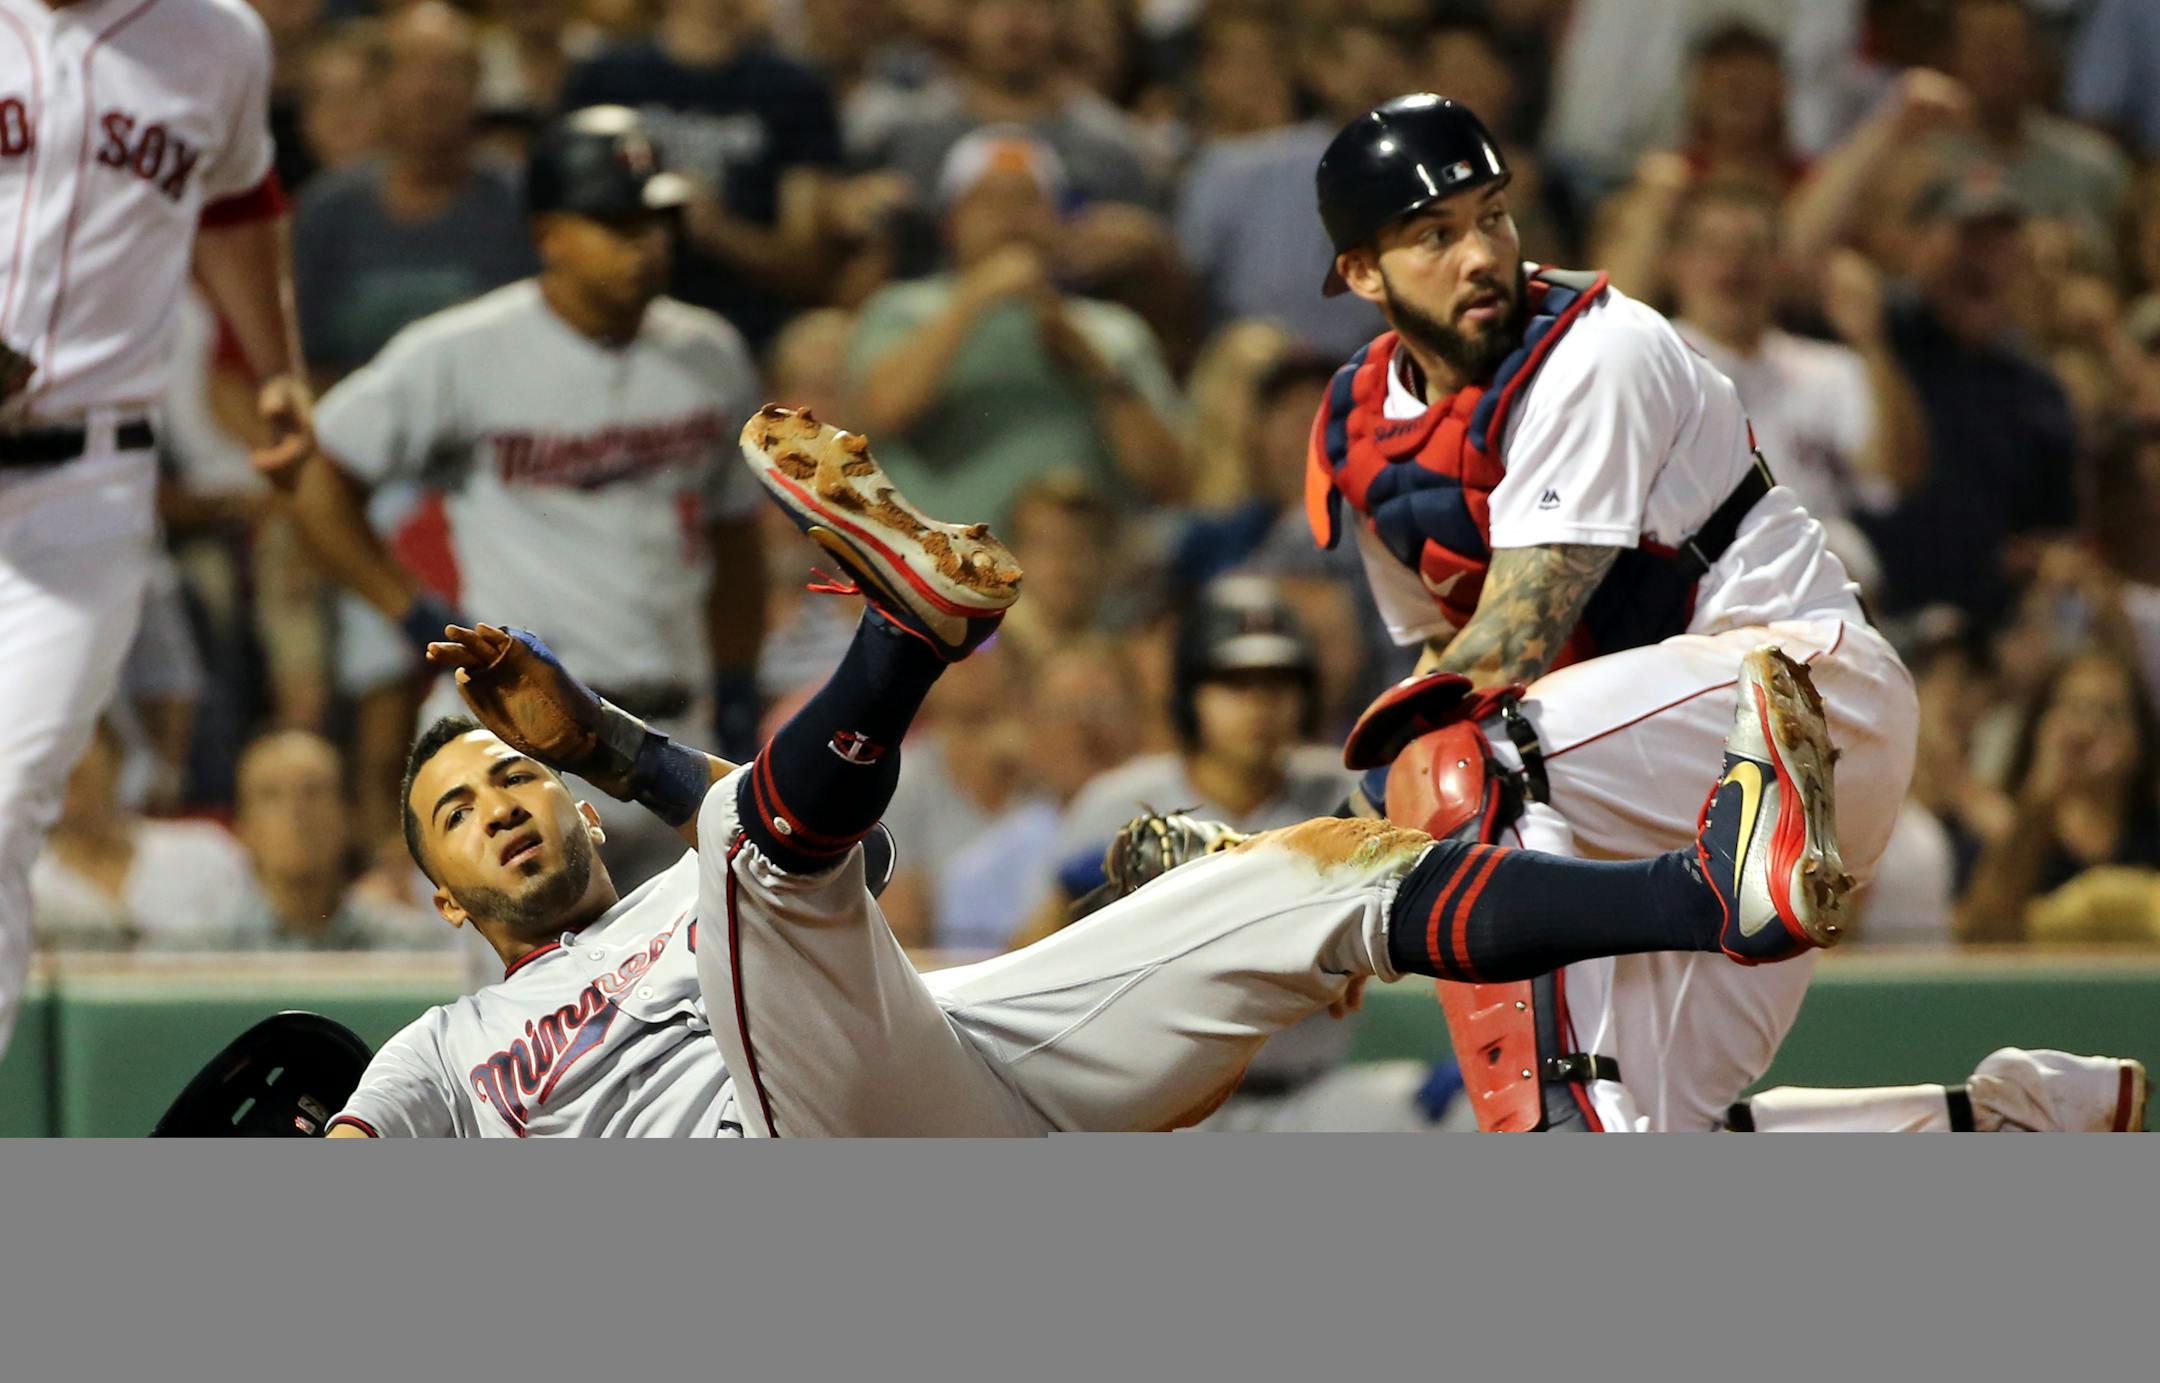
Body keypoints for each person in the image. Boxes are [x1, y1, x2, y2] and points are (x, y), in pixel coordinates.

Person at [324, 404, 1871, 1138]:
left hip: (938, 1093)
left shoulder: (690, 899)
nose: (501, 808)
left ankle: (1709, 890)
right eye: (457, 812)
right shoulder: (443, 1051)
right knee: (751, 833)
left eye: (511, 780)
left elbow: (838, 866)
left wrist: (595, 734)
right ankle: (908, 637)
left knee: (1310, 870)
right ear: (439, 894)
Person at [1304, 94, 2129, 1134]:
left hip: (1795, 699)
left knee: (1468, 759)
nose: (1482, 254)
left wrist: (1331, 887)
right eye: (1436, 234)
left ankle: (1556, 1120)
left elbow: (1504, 647)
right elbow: (1435, 648)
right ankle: (2017, 1126)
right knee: (1655, 1128)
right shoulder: (1360, 432)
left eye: (1494, 216)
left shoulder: (1596, 351)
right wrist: (1364, 874)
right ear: (1361, 273)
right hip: (1658, 802)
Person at [278, 106, 768, 891]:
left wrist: (741, 686)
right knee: (535, 1006)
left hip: (674, 729)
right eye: (616, 223)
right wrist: (411, 614)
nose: (647, 244)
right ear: (550, 236)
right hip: (520, 735)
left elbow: (736, 533)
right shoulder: (466, 351)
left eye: (656, 220)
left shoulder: (709, 352)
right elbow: (316, 473)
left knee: (701, 1004)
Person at [0, 0, 313, 1057]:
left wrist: (274, 366)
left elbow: (236, 202)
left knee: (6, 799)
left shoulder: (214, 38)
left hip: (81, 486)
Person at [845, 127, 1184, 528]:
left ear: (1060, 218)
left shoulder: (1113, 330)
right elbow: (876, 419)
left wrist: (1095, 370)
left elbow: (1173, 484)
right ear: (949, 225)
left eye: (1028, 200)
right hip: (936, 574)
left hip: (1078, 579)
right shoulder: (903, 310)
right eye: (987, 201)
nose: (1010, 217)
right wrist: (976, 297)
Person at [1666, 181, 1924, 593]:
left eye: (1752, 248)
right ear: (1675, 261)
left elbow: (1893, 477)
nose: (1733, 265)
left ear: (1780, 266)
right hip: (1694, 578)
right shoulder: (1652, 363)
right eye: (1713, 246)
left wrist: (1873, 340)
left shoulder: (1829, 369)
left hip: (1816, 583)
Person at [559, 0, 846, 350]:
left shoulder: (793, 88)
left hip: (749, 329)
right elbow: (562, 226)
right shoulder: (606, 79)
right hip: (616, 325)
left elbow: (807, 266)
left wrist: (717, 230)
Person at [290, 1, 536, 382]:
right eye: (411, 68)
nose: (428, 90)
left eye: (447, 70)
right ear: (380, 86)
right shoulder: (327, 209)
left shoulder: (525, 202)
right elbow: (307, 360)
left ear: (477, 84)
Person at [1960, 650, 2160, 943]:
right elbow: (1980, 933)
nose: (2089, 729)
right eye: (2075, 709)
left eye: (2109, 713)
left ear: (2138, 735)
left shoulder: (2153, 827)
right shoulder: (2003, 824)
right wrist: (2043, 792)